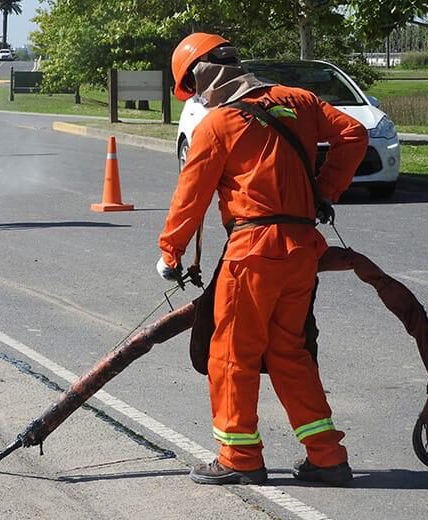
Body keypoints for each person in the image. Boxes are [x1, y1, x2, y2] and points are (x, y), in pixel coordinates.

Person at [157, 33, 368, 486]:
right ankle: (327, 456)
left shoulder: (218, 125)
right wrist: (324, 191)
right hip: (301, 249)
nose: (195, 98)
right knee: (287, 350)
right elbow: (353, 133)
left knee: (233, 352)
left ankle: (238, 457)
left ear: (200, 76)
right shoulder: (300, 100)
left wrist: (170, 252)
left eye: (192, 89)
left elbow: (190, 196)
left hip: (254, 252)